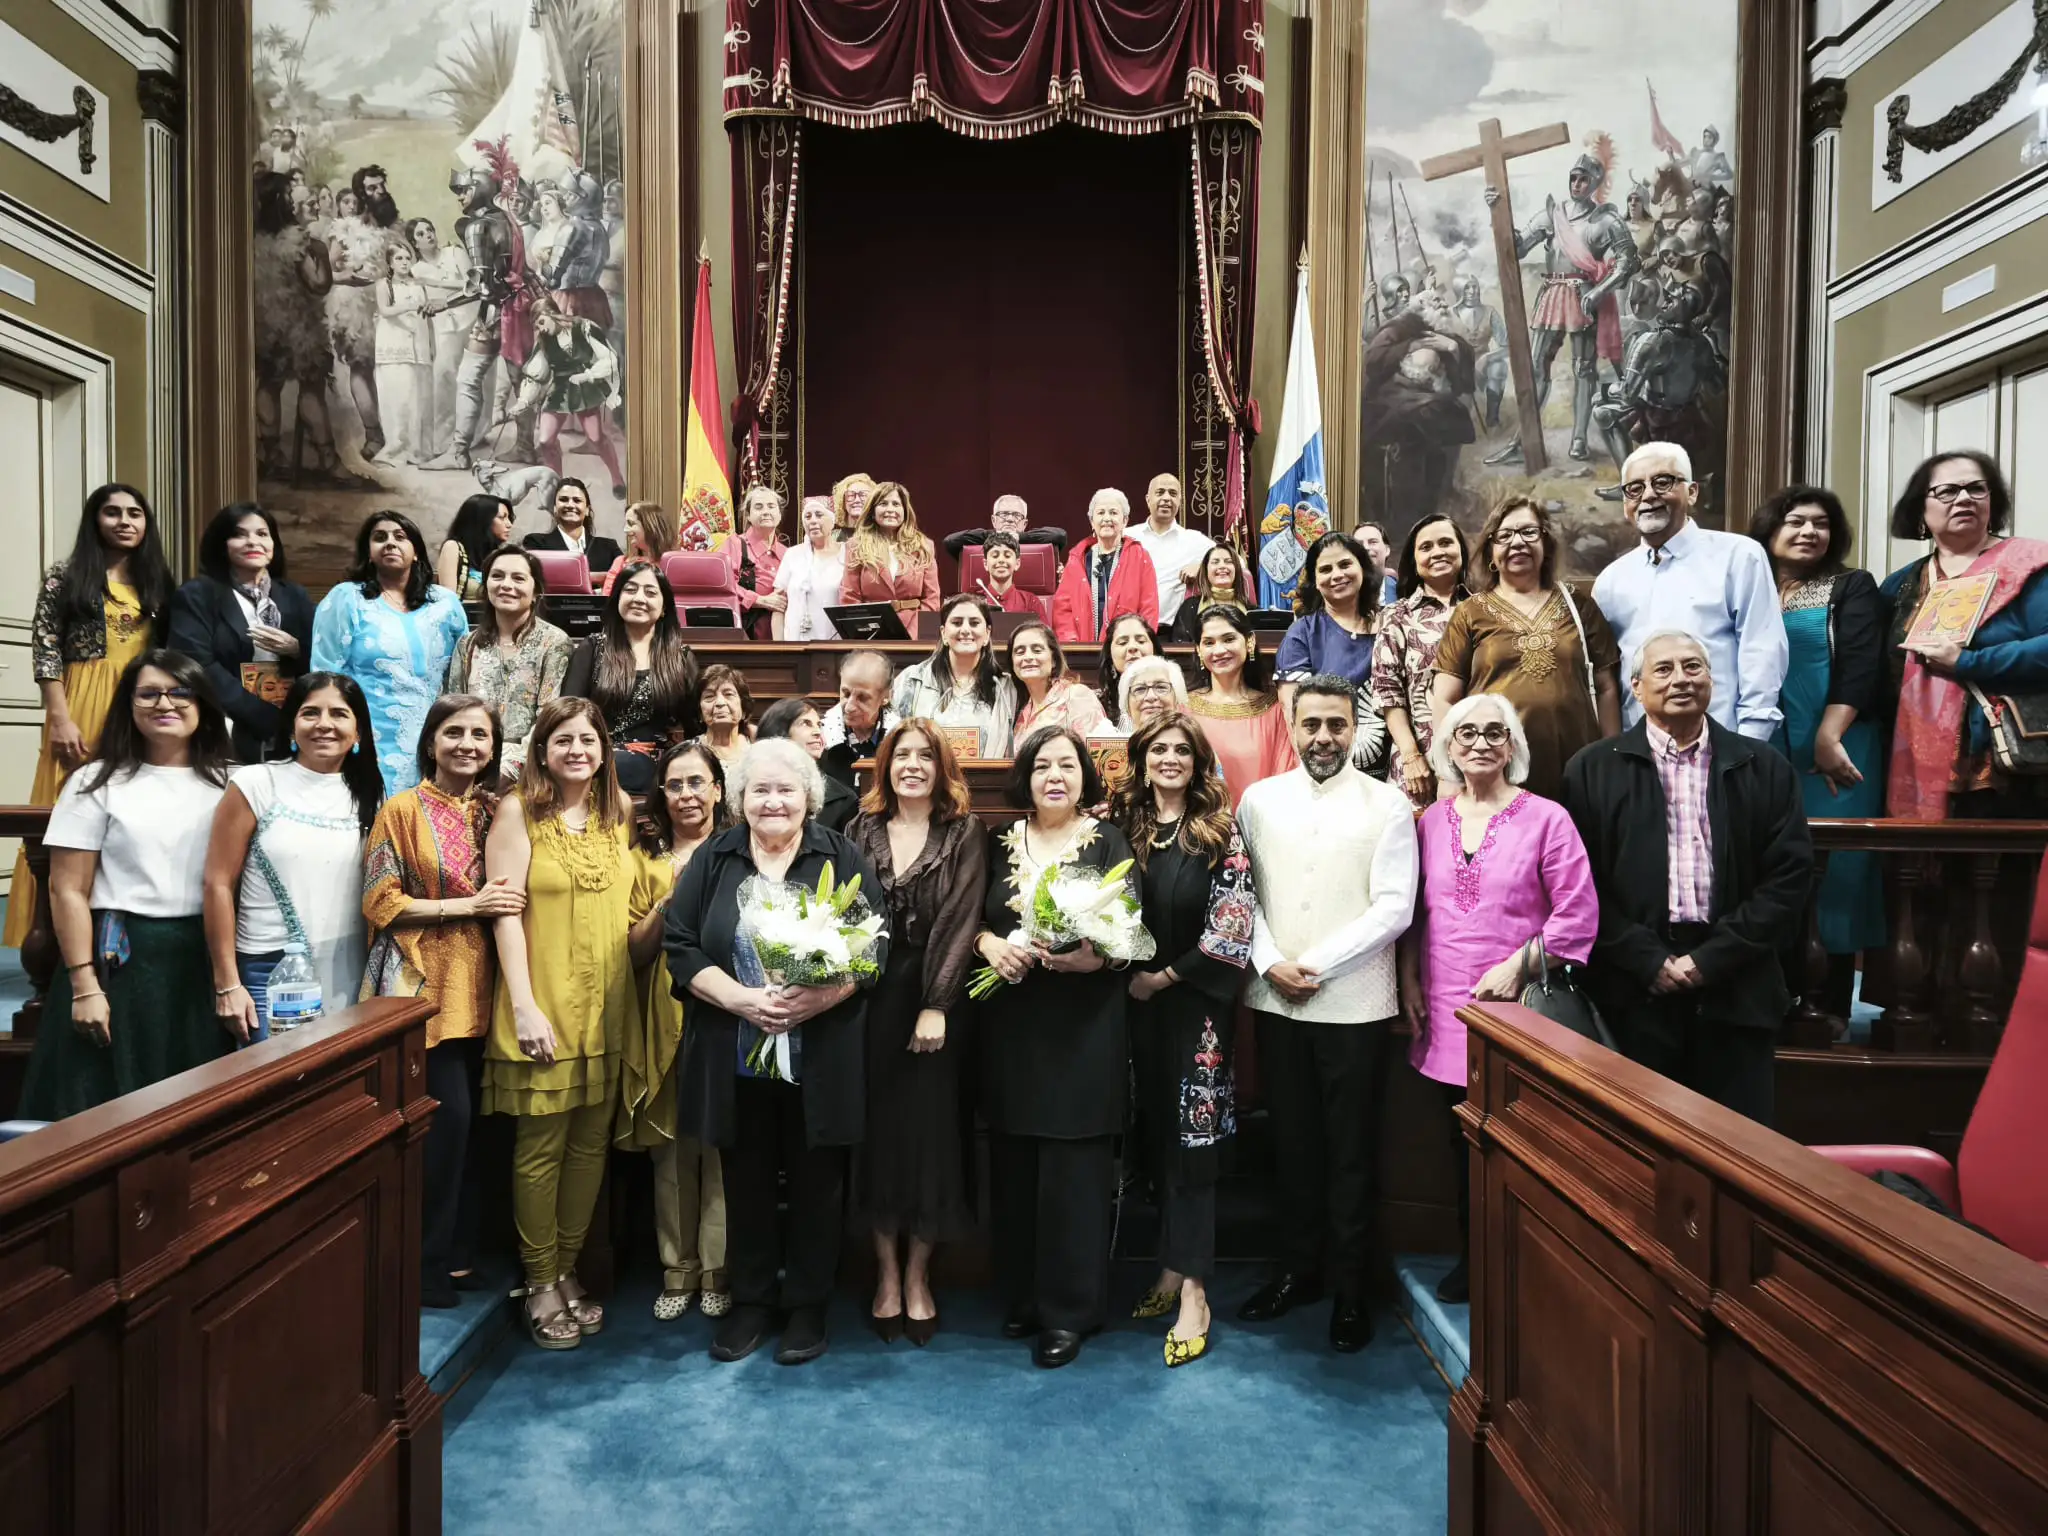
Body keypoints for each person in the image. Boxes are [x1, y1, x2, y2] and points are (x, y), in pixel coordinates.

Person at [663, 737, 885, 1366]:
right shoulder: (717, 855)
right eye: (760, 790)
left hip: (820, 1052)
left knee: (819, 1183)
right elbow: (681, 945)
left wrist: (815, 1002)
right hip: (734, 1048)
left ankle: (809, 1305)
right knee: (747, 1178)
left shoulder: (839, 855)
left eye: (786, 789)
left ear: (809, 798)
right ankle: (753, 1301)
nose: (773, 801)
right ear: (740, 799)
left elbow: (873, 949)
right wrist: (740, 1000)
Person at [1560, 632, 1813, 1126]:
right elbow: (1579, 886)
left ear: (1712, 679)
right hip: (1633, 992)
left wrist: (1710, 960)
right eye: (1664, 669)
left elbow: (1789, 877)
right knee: (1637, 1148)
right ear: (1635, 685)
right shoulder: (1591, 770)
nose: (1681, 679)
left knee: (1739, 1153)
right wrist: (1646, 959)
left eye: (1693, 666)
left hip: (1736, 984)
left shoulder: (1763, 766)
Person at [1235, 676, 1417, 1352]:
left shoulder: (1388, 803)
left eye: (1336, 725)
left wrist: (1318, 964)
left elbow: (1394, 906)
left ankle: (1349, 1290)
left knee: (1350, 1153)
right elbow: (1241, 893)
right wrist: (1270, 960)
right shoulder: (1259, 800)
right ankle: (1296, 1271)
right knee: (1292, 1146)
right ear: (1291, 722)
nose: (1322, 738)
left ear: (1354, 727)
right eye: (1311, 725)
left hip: (1355, 1004)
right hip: (1276, 996)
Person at [1398, 693, 1597, 1303]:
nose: (1480, 743)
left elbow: (1579, 913)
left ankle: (1524, 1260)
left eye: (1494, 732)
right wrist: (1408, 980)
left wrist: (1520, 963)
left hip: (1520, 1012)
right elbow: (1413, 913)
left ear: (1512, 746)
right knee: (1464, 1145)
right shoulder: (1430, 821)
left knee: (1520, 1145)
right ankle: (1474, 1254)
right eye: (1466, 734)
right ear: (1447, 749)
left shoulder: (1547, 818)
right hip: (1445, 1011)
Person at [973, 727, 1140, 1368]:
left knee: (1074, 1173)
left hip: (1083, 1027)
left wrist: (1090, 960)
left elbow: (1129, 927)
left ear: (1084, 776)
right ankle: (1022, 1296)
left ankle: (1069, 1311)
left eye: (1067, 766)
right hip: (1013, 1025)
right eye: (1042, 765)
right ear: (1025, 776)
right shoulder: (998, 842)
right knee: (1016, 1167)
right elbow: (974, 920)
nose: (1055, 777)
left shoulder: (1107, 842)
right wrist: (991, 947)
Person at [481, 697, 638, 1350]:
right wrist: (522, 1004)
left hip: (608, 1004)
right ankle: (540, 1280)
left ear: (604, 751)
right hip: (542, 1001)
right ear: (540, 751)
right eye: (564, 740)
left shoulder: (617, 813)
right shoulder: (519, 812)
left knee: (589, 1147)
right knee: (541, 1149)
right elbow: (504, 913)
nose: (578, 750)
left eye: (589, 740)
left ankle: (568, 1268)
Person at [18, 652, 235, 1120]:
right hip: (121, 963)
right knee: (100, 1111)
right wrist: (84, 986)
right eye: (149, 693)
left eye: (180, 692)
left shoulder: (231, 782)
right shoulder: (94, 782)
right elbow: (67, 890)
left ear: (203, 705)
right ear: (129, 704)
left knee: (195, 1108)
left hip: (201, 959)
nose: (166, 703)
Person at [360, 694, 525, 1308]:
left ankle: (459, 1255)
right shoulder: (400, 811)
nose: (467, 745)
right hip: (424, 987)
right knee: (444, 1126)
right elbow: (381, 902)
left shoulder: (493, 813)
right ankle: (424, 1264)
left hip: (489, 986)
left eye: (480, 735)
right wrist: (466, 907)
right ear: (431, 742)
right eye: (454, 733)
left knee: (481, 1131)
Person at [1109, 715, 1254, 1367]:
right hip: (1128, 1010)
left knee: (1193, 1143)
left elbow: (1233, 926)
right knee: (1155, 1135)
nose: (1169, 759)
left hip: (1195, 1008)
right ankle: (1169, 1266)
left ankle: (1196, 1290)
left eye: (1182, 752)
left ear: (1198, 764)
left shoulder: (1219, 833)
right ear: (1140, 760)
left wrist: (1163, 977)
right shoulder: (1121, 829)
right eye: (1158, 750)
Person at [848, 721, 988, 1345]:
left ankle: (919, 1276)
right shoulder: (859, 830)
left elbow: (960, 921)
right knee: (878, 1138)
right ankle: (884, 1273)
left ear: (941, 768)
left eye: (923, 756)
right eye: (900, 755)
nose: (911, 765)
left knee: (931, 1140)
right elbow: (845, 912)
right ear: (885, 766)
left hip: (935, 996)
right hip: (868, 1001)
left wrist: (936, 1004)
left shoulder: (963, 832)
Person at [10, 484, 171, 950]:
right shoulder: (66, 575)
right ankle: (52, 936)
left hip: (138, 704)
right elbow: (45, 651)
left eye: (135, 513)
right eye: (113, 512)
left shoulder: (157, 580)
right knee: (64, 816)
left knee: (129, 813)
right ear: (94, 519)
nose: (125, 521)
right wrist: (58, 717)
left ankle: (114, 927)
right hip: (80, 702)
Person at [1750, 486, 1887, 1008]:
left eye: (1821, 523)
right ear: (1769, 529)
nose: (1810, 531)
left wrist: (1830, 736)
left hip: (1837, 745)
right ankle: (1772, 996)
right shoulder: (1751, 584)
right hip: (1766, 748)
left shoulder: (1849, 585)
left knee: (1837, 869)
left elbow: (1860, 664)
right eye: (1796, 521)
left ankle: (1826, 1001)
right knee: (1769, 867)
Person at [203, 672, 381, 1042]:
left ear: (359, 731)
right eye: (310, 713)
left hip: (348, 965)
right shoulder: (255, 783)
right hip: (271, 968)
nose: (324, 725)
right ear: (291, 725)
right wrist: (227, 984)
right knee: (276, 1088)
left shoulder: (370, 795)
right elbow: (218, 883)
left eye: (339, 714)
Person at [622, 741, 732, 1322]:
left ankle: (716, 1268)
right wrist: (670, 899)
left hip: (721, 1017)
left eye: (698, 783)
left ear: (718, 788)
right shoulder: (642, 859)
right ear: (661, 795)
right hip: (659, 1016)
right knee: (670, 1153)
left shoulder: (739, 852)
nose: (687, 795)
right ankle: (677, 1269)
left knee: (717, 1148)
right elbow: (634, 954)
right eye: (675, 785)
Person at [1881, 450, 2048, 819]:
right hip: (1908, 756)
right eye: (1947, 491)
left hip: (2009, 764)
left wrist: (1967, 662)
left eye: (1976, 489)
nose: (1964, 498)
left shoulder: (2031, 565)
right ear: (1919, 509)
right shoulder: (1899, 586)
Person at [1592, 441, 1789, 740]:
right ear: (1625, 503)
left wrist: (1749, 746)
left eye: (1662, 482)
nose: (1648, 495)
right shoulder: (1610, 581)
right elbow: (1606, 678)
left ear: (1692, 492)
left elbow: (1762, 653)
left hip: (1722, 747)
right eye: (1634, 488)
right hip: (1640, 753)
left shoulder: (1738, 557)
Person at [1431, 496, 1623, 802]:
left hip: (1576, 768)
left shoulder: (1579, 606)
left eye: (1529, 532)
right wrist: (1448, 773)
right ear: (1491, 552)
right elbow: (1444, 697)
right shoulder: (1470, 612)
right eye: (1504, 536)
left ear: (1545, 544)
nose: (1517, 542)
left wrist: (1614, 759)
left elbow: (1607, 688)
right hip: (1494, 768)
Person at [311, 510, 470, 793]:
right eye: (379, 538)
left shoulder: (445, 604)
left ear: (417, 552)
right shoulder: (347, 598)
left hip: (437, 740)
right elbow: (325, 677)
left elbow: (463, 674)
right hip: (370, 738)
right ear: (368, 553)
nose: (390, 543)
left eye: (400, 537)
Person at [168, 502, 317, 764]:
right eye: (239, 534)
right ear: (222, 544)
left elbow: (321, 659)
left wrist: (295, 650)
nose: (252, 542)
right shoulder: (197, 595)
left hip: (291, 726)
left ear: (273, 544)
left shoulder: (295, 596)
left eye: (262, 534)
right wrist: (261, 714)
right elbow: (196, 664)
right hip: (223, 724)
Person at [559, 560, 701, 795]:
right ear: (617, 599)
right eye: (630, 589)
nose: (639, 599)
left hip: (658, 760)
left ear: (664, 606)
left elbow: (696, 723)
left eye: (650, 592)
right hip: (596, 754)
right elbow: (568, 713)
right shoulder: (593, 648)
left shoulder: (680, 657)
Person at [444, 545, 573, 784]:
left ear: (535, 591)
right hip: (471, 757)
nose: (506, 585)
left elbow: (548, 716)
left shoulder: (554, 643)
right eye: (497, 576)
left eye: (518, 578)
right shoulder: (468, 644)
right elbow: (453, 710)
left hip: (532, 765)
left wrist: (509, 767)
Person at [1370, 514, 1469, 806]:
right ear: (1414, 560)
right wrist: (1412, 757)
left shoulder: (1483, 609)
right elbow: (1388, 694)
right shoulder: (1396, 616)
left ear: (1461, 550)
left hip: (1479, 758)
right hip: (1419, 764)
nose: (1437, 552)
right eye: (1426, 547)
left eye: (1446, 543)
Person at [1275, 530, 1388, 767]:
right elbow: (1293, 713)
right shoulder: (1303, 633)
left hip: (1395, 766)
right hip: (1328, 764)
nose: (1337, 575)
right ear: (1314, 581)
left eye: (1345, 564)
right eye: (1326, 569)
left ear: (1362, 568)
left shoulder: (1391, 624)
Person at [1186, 607, 1299, 808]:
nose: (1219, 650)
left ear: (1249, 641)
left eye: (1228, 639)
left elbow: (1286, 777)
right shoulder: (1184, 710)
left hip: (1262, 824)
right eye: (1209, 643)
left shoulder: (1274, 711)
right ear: (1198, 650)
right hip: (1201, 827)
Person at [891, 593, 1018, 758]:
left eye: (974, 623)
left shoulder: (1004, 687)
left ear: (987, 634)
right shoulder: (913, 679)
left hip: (987, 781)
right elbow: (893, 740)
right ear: (943, 633)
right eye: (957, 623)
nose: (965, 630)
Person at [1052, 488, 1160, 644]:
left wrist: (1139, 643)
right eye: (1101, 513)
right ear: (1091, 521)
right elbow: (1063, 609)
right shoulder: (1078, 558)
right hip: (1083, 650)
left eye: (1114, 513)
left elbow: (1149, 608)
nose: (1107, 518)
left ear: (1125, 521)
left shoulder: (1140, 556)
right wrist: (1073, 645)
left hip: (1127, 649)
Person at [839, 480, 941, 622]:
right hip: (872, 628)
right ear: (872, 512)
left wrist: (918, 631)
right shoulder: (856, 546)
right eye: (883, 504)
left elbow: (932, 599)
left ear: (905, 511)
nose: (890, 509)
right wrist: (863, 629)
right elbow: (850, 597)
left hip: (915, 629)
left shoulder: (924, 546)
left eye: (896, 504)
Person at [1126, 472, 1214, 630]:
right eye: (1160, 492)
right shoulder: (1127, 536)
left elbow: (1236, 563)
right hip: (1129, 629)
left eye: (1173, 494)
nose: (1166, 498)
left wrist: (1202, 568)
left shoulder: (1193, 540)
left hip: (1172, 633)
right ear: (1148, 499)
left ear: (1180, 501)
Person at [757, 696, 860, 832]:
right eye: (805, 724)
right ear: (779, 732)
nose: (817, 732)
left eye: (819, 725)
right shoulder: (753, 788)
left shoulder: (844, 800)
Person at [372, 243, 434, 466]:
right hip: (394, 346)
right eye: (399, 258)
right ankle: (395, 448)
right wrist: (408, 306)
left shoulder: (418, 285)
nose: (404, 262)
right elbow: (385, 310)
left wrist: (431, 344)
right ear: (390, 262)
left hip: (418, 346)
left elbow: (428, 317)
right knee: (396, 398)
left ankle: (416, 449)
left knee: (417, 399)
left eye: (408, 258)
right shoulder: (384, 285)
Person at [1009, 618, 1107, 739]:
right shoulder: (1019, 712)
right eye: (1020, 652)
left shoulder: (1076, 697)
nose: (1028, 657)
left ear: (1054, 660)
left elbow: (1096, 753)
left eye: (1037, 650)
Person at [771, 495, 845, 641]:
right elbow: (778, 606)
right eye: (808, 516)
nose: (813, 521)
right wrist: (778, 648)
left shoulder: (847, 553)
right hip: (795, 644)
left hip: (835, 644)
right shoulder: (792, 554)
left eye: (819, 515)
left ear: (833, 520)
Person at [821, 649, 898, 786]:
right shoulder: (820, 737)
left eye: (862, 698)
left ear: (886, 697)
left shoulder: (900, 739)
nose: (849, 707)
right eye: (845, 694)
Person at [521, 477, 624, 573]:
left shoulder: (609, 548)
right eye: (563, 500)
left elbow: (623, 580)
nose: (570, 505)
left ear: (587, 510)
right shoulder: (536, 543)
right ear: (555, 508)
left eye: (577, 500)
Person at [729, 484, 790, 636]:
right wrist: (760, 600)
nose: (766, 512)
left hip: (784, 637)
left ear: (779, 514)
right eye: (759, 507)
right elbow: (723, 587)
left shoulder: (788, 553)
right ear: (748, 515)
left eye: (771, 506)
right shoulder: (735, 544)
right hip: (744, 636)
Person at [942, 492, 1070, 563]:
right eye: (1003, 514)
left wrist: (1019, 537)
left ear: (1024, 524)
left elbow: (1059, 535)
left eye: (1016, 515)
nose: (1009, 519)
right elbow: (951, 541)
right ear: (994, 520)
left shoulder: (1034, 542)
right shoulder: (986, 538)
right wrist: (998, 536)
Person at [435, 493, 516, 600]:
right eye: (502, 517)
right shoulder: (453, 547)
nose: (509, 524)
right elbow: (448, 602)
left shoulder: (497, 554)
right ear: (482, 520)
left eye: (509, 518)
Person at [1167, 544, 1254, 644]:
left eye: (1228, 562)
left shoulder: (1251, 611)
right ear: (1206, 571)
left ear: (1237, 570)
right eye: (1215, 562)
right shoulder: (1189, 607)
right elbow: (1181, 649)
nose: (1222, 566)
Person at [598, 501, 678, 595]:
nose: (625, 530)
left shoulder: (673, 563)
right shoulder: (620, 563)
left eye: (631, 524)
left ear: (650, 526)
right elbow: (608, 601)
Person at [1097, 614, 1159, 723]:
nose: (1132, 647)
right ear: (1110, 656)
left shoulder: (1172, 698)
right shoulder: (1096, 705)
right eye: (1123, 643)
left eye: (1141, 641)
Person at [1113, 655, 1192, 735]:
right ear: (1127, 706)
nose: (1151, 697)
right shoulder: (1108, 746)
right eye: (1140, 689)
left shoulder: (1193, 744)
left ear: (1177, 701)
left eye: (1161, 687)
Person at [698, 664, 757, 770]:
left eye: (728, 694)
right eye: (709, 696)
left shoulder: (758, 750)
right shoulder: (689, 752)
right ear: (700, 712)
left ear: (743, 709)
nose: (720, 703)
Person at [972, 532, 1044, 616]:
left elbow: (1043, 629)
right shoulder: (972, 601)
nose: (1001, 560)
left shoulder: (1030, 602)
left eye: (1007, 556)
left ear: (1017, 564)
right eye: (995, 556)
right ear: (985, 564)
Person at [1357, 520, 1400, 607]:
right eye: (1359, 544)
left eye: (1373, 542)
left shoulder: (1403, 591)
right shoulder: (1343, 591)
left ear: (1387, 550)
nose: (1365, 547)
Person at [831, 471, 877, 542]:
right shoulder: (831, 537)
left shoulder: (881, 536)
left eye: (863, 495)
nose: (857, 500)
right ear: (842, 501)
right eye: (851, 495)